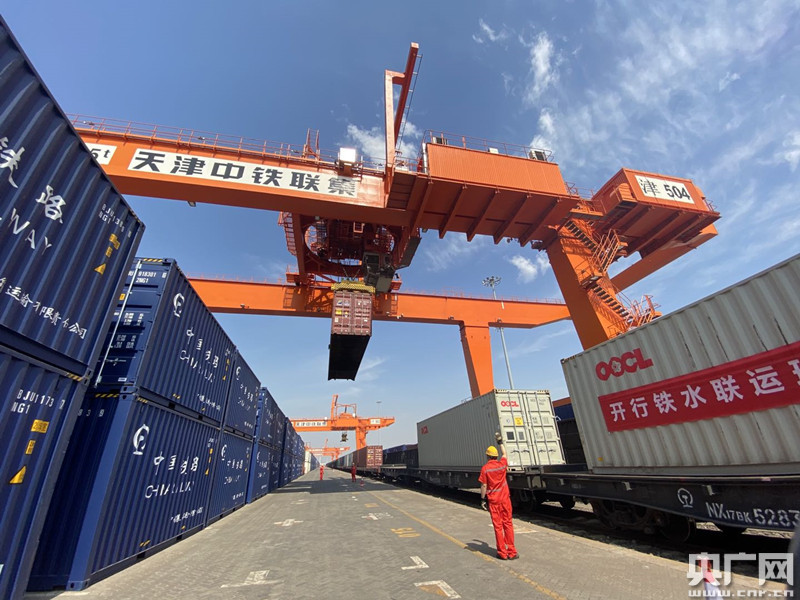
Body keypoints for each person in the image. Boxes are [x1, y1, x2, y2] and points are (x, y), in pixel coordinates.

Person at [479, 432, 518, 560]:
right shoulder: (502, 465)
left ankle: (502, 553)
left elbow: (484, 485)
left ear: (487, 456)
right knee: (508, 524)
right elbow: (505, 454)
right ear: (496, 456)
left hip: (494, 501)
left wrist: (482, 499)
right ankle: (512, 552)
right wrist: (500, 442)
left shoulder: (485, 469)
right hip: (505, 500)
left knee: (498, 527)